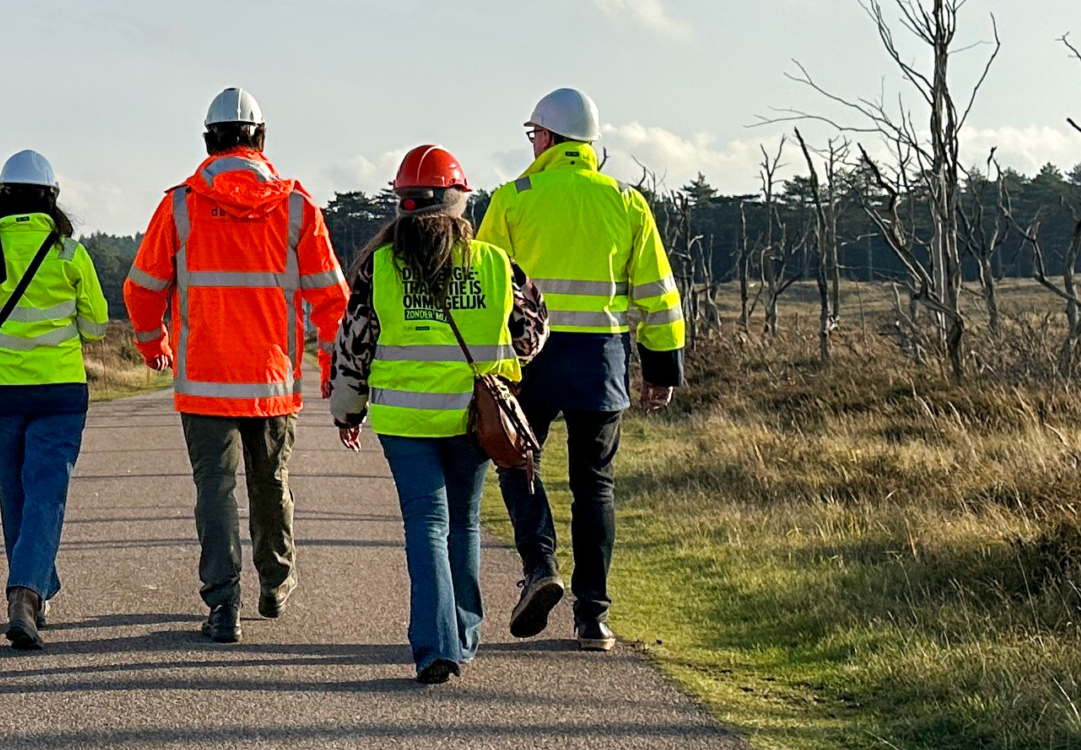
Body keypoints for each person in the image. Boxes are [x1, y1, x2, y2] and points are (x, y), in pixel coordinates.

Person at [123, 87, 348, 643]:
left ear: (208, 139)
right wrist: (335, 367)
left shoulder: (180, 204)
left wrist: (154, 344)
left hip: (204, 382)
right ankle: (276, 580)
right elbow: (332, 299)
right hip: (271, 382)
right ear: (261, 137)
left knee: (216, 492)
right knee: (271, 481)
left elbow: (142, 289)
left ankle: (222, 605)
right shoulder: (297, 207)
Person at [475, 88, 686, 651]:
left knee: (516, 461)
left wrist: (480, 366)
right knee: (594, 485)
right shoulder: (626, 201)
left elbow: (485, 289)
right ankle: (593, 617)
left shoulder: (512, 198)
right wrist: (661, 368)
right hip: (602, 360)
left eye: (533, 134)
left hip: (529, 361)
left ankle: (540, 564)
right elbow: (658, 295)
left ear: (546, 137)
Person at [330, 147, 547, 684]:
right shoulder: (496, 265)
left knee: (426, 524)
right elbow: (533, 332)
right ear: (459, 202)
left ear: (402, 204)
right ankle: (465, 634)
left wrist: (347, 411)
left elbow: (353, 348)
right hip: (474, 422)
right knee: (464, 522)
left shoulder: (379, 268)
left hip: (405, 424)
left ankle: (435, 648)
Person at [0, 150, 111, 651]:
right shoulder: (68, 251)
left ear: (2, 192)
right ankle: (26, 592)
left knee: (15, 493)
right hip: (60, 390)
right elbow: (97, 325)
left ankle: (37, 588)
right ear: (51, 196)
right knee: (46, 492)